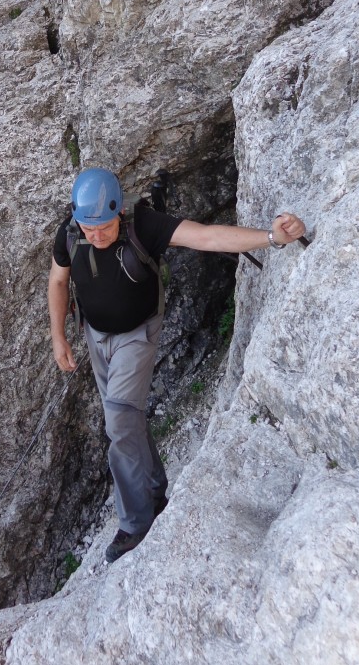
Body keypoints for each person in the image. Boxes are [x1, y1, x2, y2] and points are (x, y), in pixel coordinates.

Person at [48, 167, 306, 563]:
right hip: (96, 337)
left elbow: (205, 236)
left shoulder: (144, 224)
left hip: (138, 335)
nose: (95, 236)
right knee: (127, 419)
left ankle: (135, 523)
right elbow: (58, 282)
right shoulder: (71, 231)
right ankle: (153, 490)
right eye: (88, 228)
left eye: (103, 227)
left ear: (119, 211)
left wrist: (273, 237)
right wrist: (59, 336)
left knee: (118, 422)